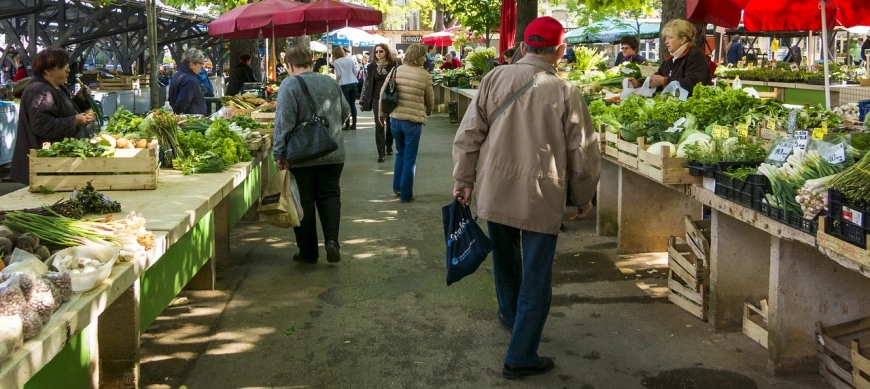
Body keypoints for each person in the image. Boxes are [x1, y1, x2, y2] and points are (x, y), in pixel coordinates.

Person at [452, 16, 600, 379]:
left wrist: (464, 179)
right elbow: (583, 152)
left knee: (505, 262)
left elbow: (469, 133)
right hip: (540, 195)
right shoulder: (566, 92)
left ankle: (510, 315)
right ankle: (521, 354)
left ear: (522, 46)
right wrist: (583, 198)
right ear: (560, 52)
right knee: (537, 275)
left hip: (495, 188)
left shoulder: (494, 78)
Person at [273, 47, 351, 265]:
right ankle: (332, 242)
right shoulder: (330, 82)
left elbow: (283, 122)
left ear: (289, 65)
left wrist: (279, 152)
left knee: (303, 202)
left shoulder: (289, 84)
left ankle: (308, 252)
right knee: (330, 196)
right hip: (333, 151)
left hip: (302, 155)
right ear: (310, 62)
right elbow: (345, 112)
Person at [11, 47, 95, 185]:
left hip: (51, 166)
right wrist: (74, 121)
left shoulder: (54, 87)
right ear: (48, 71)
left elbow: (61, 111)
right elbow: (43, 126)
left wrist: (79, 100)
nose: (68, 70)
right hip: (45, 167)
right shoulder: (41, 91)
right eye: (63, 67)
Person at [378, 44, 433, 203]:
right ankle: (406, 195)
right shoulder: (425, 75)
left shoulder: (396, 70)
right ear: (419, 57)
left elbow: (383, 92)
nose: (425, 58)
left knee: (400, 154)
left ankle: (397, 187)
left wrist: (382, 113)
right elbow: (429, 99)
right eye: (423, 55)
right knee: (410, 157)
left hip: (395, 119)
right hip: (413, 122)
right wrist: (427, 112)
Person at [627, 19, 712, 96]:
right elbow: (658, 78)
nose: (666, 42)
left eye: (670, 38)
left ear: (682, 40)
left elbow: (693, 84)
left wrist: (664, 81)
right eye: (666, 38)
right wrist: (639, 83)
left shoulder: (695, 56)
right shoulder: (671, 58)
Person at [360, 43, 399, 162]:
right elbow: (366, 84)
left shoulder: (394, 65)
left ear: (386, 52)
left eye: (381, 51)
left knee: (391, 124)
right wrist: (363, 100)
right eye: (376, 52)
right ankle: (381, 153)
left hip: (390, 98)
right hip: (376, 98)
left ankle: (389, 145)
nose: (378, 54)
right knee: (379, 125)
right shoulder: (371, 67)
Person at [168, 48, 207, 115]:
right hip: (190, 121)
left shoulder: (178, 74)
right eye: (200, 63)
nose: (202, 66)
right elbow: (181, 105)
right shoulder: (189, 80)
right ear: (192, 64)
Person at [331, 46, 360, 130]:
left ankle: (347, 124)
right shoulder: (350, 59)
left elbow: (338, 75)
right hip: (354, 83)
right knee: (352, 104)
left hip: (344, 84)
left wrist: (336, 81)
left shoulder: (336, 62)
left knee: (346, 105)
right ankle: (354, 124)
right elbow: (355, 71)